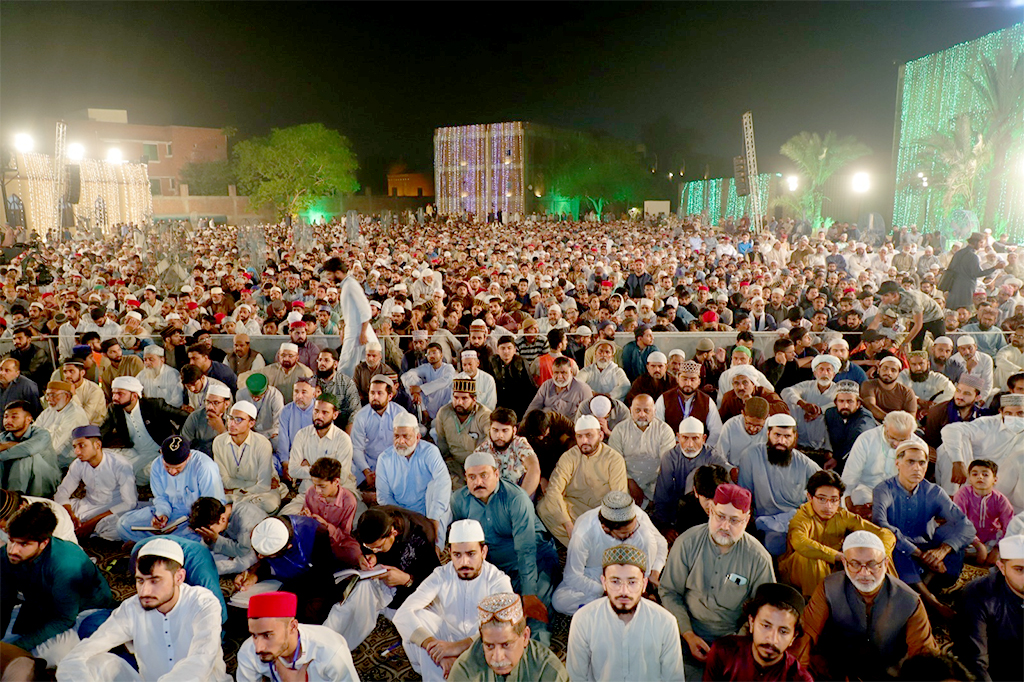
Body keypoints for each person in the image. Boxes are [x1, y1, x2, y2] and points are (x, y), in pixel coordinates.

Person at [56, 538, 231, 682]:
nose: (145, 591)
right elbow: (90, 646)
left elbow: (200, 661)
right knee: (94, 663)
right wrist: (73, 668)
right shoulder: (132, 607)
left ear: (179, 577)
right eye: (140, 581)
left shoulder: (203, 603)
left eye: (155, 581)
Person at [659, 484, 775, 679]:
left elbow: (764, 610)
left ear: (746, 520)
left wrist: (734, 645)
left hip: (736, 643)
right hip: (684, 635)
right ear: (710, 511)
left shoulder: (758, 558)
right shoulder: (687, 543)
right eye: (720, 516)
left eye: (734, 520)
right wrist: (688, 634)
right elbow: (670, 592)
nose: (725, 526)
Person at [792, 531, 937, 681]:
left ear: (885, 564)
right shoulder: (828, 588)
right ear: (844, 563)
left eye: (872, 564)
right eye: (855, 564)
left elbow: (924, 654)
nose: (864, 573)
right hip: (837, 669)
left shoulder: (909, 600)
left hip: (889, 674)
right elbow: (806, 636)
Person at [451, 451, 559, 643]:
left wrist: (529, 593)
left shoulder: (516, 499)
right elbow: (465, 543)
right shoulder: (459, 500)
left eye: (484, 475)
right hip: (494, 565)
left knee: (535, 615)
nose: (478, 482)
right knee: (484, 615)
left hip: (534, 559)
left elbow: (526, 549)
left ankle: (533, 657)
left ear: (496, 474)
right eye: (472, 477)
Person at [393, 519, 514, 681]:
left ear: (483, 552)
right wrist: (436, 648)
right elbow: (402, 614)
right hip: (444, 644)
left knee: (501, 632)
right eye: (457, 555)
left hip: (479, 646)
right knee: (419, 617)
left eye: (471, 554)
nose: (464, 562)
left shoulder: (497, 580)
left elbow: (506, 624)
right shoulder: (441, 575)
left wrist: (457, 647)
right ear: (449, 553)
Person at [0, 503, 114, 668]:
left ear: (44, 543)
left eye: (23, 544)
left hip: (81, 614)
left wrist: (17, 648)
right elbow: (5, 600)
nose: (12, 550)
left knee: (49, 655)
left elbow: (64, 619)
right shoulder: (7, 555)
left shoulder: (66, 564)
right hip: (41, 606)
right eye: (11, 541)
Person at [872, 441, 976, 620]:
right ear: (897, 463)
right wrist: (921, 555)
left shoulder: (934, 491)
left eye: (922, 463)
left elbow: (966, 525)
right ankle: (931, 602)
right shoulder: (884, 489)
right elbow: (880, 523)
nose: (917, 468)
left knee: (953, 533)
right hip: (901, 553)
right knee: (892, 539)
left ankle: (917, 590)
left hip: (931, 555)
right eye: (911, 462)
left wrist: (942, 551)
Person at [322, 507, 440, 651]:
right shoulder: (370, 523)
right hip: (381, 583)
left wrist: (406, 579)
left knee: (424, 631)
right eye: (370, 548)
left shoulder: (420, 536)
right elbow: (366, 547)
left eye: (378, 547)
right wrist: (369, 557)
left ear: (393, 533)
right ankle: (323, 643)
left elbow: (436, 581)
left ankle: (337, 651)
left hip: (410, 593)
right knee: (351, 602)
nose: (374, 550)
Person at [566, 544, 685, 682]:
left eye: (632, 582)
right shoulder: (583, 619)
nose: (624, 591)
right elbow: (576, 677)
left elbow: (673, 679)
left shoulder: (665, 622)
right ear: (604, 582)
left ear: (644, 584)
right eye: (615, 581)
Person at [779, 470, 895, 598]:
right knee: (811, 558)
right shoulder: (801, 517)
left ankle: (891, 599)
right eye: (822, 499)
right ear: (810, 497)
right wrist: (839, 556)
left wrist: (879, 555)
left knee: (879, 555)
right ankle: (817, 607)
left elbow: (886, 534)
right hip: (796, 570)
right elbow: (801, 543)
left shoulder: (842, 515)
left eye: (834, 500)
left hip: (835, 566)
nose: (828, 506)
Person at [553, 491, 667, 615]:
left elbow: (661, 543)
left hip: (632, 569)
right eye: (625, 534)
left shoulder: (636, 514)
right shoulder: (584, 533)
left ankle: (615, 607)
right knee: (560, 601)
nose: (632, 534)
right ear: (605, 528)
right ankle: (622, 608)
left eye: (634, 529)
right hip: (596, 574)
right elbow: (572, 576)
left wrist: (654, 574)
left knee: (647, 537)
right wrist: (605, 589)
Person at [537, 414, 628, 547]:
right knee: (544, 507)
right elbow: (554, 490)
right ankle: (584, 548)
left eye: (589, 435)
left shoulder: (614, 459)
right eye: (579, 436)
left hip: (602, 514)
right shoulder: (569, 457)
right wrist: (568, 525)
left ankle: (588, 547)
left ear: (601, 436)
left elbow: (618, 498)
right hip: (575, 510)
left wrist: (605, 524)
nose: (584, 440)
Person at [737, 414, 821, 555]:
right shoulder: (750, 456)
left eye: (787, 436)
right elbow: (744, 497)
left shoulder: (805, 464)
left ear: (794, 437)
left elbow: (827, 485)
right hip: (765, 522)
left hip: (798, 521)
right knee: (774, 544)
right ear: (768, 433)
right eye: (777, 435)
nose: (781, 441)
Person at [117, 436, 226, 543]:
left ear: (188, 457)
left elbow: (213, 507)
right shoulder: (156, 465)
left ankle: (150, 543)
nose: (172, 472)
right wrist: (162, 515)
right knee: (123, 524)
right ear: (161, 453)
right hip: (171, 513)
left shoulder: (205, 467)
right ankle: (165, 543)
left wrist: (192, 524)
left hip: (196, 520)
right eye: (167, 467)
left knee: (202, 536)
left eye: (178, 468)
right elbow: (161, 498)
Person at [236, 590, 359, 682]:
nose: (258, 648)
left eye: (267, 635)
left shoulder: (331, 651)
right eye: (254, 635)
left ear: (293, 627)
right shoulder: (248, 651)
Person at [703, 582, 813, 682]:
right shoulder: (723, 652)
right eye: (766, 626)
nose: (772, 639)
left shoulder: (800, 679)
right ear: (751, 622)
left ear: (793, 637)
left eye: (783, 632)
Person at [447, 593, 568, 682]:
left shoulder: (548, 670)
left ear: (525, 636)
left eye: (506, 645)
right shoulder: (465, 670)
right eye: (489, 646)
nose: (498, 657)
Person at [937, 393, 1024, 513]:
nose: (1014, 418)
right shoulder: (987, 424)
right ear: (1001, 412)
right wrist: (958, 462)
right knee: (948, 448)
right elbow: (950, 429)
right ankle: (949, 504)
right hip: (968, 478)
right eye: (1009, 413)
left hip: (1005, 489)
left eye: (1020, 413)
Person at [376, 410, 452, 545]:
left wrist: (433, 519)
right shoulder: (384, 458)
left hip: (429, 513)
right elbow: (383, 496)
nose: (400, 441)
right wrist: (404, 518)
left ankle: (436, 549)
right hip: (401, 514)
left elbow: (443, 483)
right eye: (396, 436)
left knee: (436, 490)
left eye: (406, 436)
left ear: (417, 437)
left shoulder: (430, 452)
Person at [955, 533, 1024, 682]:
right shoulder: (977, 595)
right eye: (1020, 569)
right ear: (1002, 568)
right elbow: (975, 662)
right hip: (998, 671)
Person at [653, 417, 733, 542]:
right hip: (675, 517)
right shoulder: (669, 458)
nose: (690, 444)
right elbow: (662, 497)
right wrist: (665, 527)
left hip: (705, 516)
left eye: (695, 438)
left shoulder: (714, 459)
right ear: (678, 437)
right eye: (685, 438)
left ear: (704, 438)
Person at [100, 374, 189, 485]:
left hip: (159, 452)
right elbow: (102, 432)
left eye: (120, 394)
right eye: (114, 393)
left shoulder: (155, 405)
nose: (114, 398)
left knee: (148, 473)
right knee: (104, 459)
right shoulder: (114, 409)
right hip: (135, 451)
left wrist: (177, 442)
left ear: (134, 396)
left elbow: (186, 419)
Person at [54, 425, 137, 541]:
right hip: (88, 505)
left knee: (118, 529)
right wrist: (71, 516)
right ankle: (83, 528)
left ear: (97, 445)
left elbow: (130, 503)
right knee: (54, 509)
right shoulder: (78, 464)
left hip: (113, 509)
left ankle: (82, 529)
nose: (76, 451)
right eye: (74, 447)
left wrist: (91, 523)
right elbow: (62, 492)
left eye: (82, 446)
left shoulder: (120, 464)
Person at [281, 393, 356, 515]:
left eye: (325, 413)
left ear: (335, 415)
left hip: (337, 495)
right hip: (308, 493)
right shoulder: (302, 435)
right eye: (316, 411)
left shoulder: (342, 439)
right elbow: (293, 470)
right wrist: (327, 473)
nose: (319, 416)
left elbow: (341, 477)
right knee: (286, 517)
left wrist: (309, 469)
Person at [841, 410, 924, 516]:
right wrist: (847, 505)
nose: (896, 444)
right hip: (868, 490)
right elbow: (850, 477)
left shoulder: (919, 446)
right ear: (885, 427)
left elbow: (916, 483)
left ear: (911, 434)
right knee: (858, 498)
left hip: (900, 493)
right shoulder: (866, 439)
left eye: (903, 440)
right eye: (892, 438)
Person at [211, 400, 281, 514]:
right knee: (213, 499)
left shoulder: (262, 443)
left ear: (251, 423)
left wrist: (234, 491)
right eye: (230, 418)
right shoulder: (219, 442)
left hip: (260, 493)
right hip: (239, 493)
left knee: (269, 503)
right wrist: (247, 487)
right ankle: (240, 508)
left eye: (238, 420)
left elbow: (263, 486)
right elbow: (224, 480)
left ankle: (234, 509)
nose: (232, 424)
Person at [608, 394, 676, 507]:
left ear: (654, 411)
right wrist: (630, 483)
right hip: (626, 481)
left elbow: (666, 465)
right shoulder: (619, 430)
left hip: (655, 482)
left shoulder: (665, 431)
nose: (642, 414)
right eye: (637, 410)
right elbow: (614, 463)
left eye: (646, 410)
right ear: (630, 410)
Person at [350, 374, 410, 494]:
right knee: (347, 470)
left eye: (379, 393)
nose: (375, 397)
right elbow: (357, 448)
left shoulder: (400, 414)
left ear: (390, 396)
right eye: (372, 393)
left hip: (394, 462)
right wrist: (366, 471)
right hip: (368, 462)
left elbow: (405, 447)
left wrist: (384, 470)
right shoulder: (361, 416)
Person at [323, 256, 378, 376]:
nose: (328, 278)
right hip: (353, 331)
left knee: (346, 369)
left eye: (329, 274)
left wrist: (363, 333)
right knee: (353, 369)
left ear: (337, 273)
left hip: (358, 333)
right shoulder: (347, 285)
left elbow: (366, 310)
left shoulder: (351, 285)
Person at [300, 457, 360, 566]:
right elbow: (303, 520)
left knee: (354, 553)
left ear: (336, 481)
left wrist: (326, 526)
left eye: (322, 486)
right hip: (312, 538)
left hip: (334, 542)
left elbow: (344, 535)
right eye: (315, 485)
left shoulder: (349, 501)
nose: (317, 490)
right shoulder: (311, 492)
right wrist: (305, 518)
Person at [953, 459, 1015, 564]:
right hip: (967, 538)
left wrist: (998, 548)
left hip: (991, 539)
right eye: (975, 474)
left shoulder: (1000, 499)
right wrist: (978, 545)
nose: (980, 477)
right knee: (956, 552)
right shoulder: (963, 494)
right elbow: (959, 521)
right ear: (970, 479)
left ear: (995, 480)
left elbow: (1009, 525)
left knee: (1008, 556)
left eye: (985, 475)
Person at [471, 407, 541, 496]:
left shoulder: (519, 444)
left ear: (514, 431)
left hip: (518, 493)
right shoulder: (482, 450)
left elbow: (534, 468)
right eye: (495, 430)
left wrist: (521, 498)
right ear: (490, 429)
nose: (499, 435)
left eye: (505, 431)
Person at [433, 375, 492, 483]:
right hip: (453, 463)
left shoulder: (484, 415)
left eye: (464, 398)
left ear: (474, 399)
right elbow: (442, 442)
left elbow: (490, 440)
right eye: (456, 398)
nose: (459, 402)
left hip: (478, 462)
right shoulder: (444, 412)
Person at [188, 496, 266, 575]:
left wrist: (216, 539)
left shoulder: (244, 521)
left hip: (253, 549)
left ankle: (202, 570)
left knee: (241, 564)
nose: (207, 532)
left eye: (209, 530)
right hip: (235, 543)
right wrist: (209, 540)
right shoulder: (222, 514)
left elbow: (242, 551)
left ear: (222, 519)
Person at [654, 360, 723, 448]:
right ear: (678, 379)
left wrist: (704, 450)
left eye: (692, 379)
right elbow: (656, 428)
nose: (688, 383)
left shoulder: (707, 401)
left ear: (699, 381)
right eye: (684, 379)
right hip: (670, 450)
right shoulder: (664, 399)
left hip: (698, 451)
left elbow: (716, 432)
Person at [780, 354, 841, 452]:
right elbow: (786, 392)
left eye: (828, 370)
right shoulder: (808, 385)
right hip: (804, 426)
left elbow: (839, 403)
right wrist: (803, 404)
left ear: (833, 374)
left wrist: (819, 410)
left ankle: (828, 450)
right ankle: (793, 441)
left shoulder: (838, 389)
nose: (824, 373)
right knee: (790, 403)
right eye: (821, 369)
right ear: (815, 373)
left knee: (833, 412)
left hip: (823, 434)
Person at [0, 400, 60, 496]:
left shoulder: (42, 434)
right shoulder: (3, 436)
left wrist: (6, 446)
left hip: (44, 481)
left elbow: (27, 450)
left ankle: (14, 499)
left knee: (24, 457)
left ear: (28, 419)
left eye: (14, 417)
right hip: (13, 479)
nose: (8, 421)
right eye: (6, 417)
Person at [821, 379, 877, 471]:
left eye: (850, 401)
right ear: (836, 402)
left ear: (858, 403)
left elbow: (859, 434)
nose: (845, 406)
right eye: (841, 401)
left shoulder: (865, 417)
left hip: (863, 464)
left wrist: (836, 458)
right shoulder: (830, 413)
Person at [876, 280, 946, 351]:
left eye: (885, 295)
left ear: (894, 295)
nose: (882, 298)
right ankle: (916, 360)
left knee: (941, 342)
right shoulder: (885, 303)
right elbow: (876, 321)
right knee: (915, 346)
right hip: (915, 319)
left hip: (934, 317)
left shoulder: (913, 299)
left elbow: (918, 325)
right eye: (881, 295)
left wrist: (904, 343)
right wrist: (867, 336)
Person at [942, 231, 1003, 311]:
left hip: (953, 287)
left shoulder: (959, 253)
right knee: (964, 311)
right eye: (981, 243)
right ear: (975, 242)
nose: (982, 245)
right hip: (966, 289)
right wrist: (995, 267)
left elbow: (950, 269)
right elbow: (977, 273)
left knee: (952, 311)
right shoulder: (973, 256)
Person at [34, 380, 90, 468]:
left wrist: (39, 437)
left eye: (53, 395)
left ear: (67, 396)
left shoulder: (75, 414)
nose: (48, 399)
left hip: (66, 461)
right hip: (43, 455)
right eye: (47, 395)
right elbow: (32, 431)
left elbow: (55, 445)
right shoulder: (49, 410)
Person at [526, 356, 594, 420]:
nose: (559, 377)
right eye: (556, 373)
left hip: (571, 430)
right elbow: (533, 408)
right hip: (546, 429)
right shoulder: (546, 385)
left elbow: (589, 417)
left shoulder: (583, 389)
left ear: (571, 372)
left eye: (563, 372)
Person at [403, 342, 457, 422]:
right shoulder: (426, 367)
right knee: (413, 380)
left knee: (444, 387)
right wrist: (415, 392)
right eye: (428, 354)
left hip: (444, 405)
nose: (431, 356)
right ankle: (423, 411)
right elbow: (406, 375)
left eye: (434, 353)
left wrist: (421, 388)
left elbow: (446, 380)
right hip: (427, 407)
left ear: (441, 355)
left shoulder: (448, 368)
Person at [275, 375, 317, 475]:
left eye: (304, 392)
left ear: (314, 394)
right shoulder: (286, 410)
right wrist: (285, 463)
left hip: (314, 456)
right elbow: (283, 439)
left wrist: (307, 460)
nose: (299, 396)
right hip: (292, 455)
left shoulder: (320, 411)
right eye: (296, 392)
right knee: (271, 463)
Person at [489, 335, 537, 419]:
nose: (506, 351)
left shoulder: (522, 362)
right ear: (497, 350)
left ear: (514, 350)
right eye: (503, 348)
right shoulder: (491, 363)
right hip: (498, 404)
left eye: (509, 348)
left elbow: (530, 387)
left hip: (518, 405)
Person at [313, 348, 362, 430]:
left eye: (326, 360)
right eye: (320, 360)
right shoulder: (312, 382)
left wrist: (348, 433)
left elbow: (355, 410)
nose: (322, 363)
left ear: (335, 364)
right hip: (318, 424)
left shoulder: (346, 382)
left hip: (341, 425)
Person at [860, 355, 918, 422]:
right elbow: (870, 405)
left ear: (898, 374)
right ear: (878, 370)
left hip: (899, 425)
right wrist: (891, 419)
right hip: (873, 423)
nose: (888, 372)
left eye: (893, 370)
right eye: (885, 368)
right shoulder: (868, 385)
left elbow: (911, 417)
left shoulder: (907, 392)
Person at [714, 396, 768, 465]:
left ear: (767, 417)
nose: (753, 429)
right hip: (733, 470)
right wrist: (730, 470)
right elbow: (719, 457)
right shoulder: (730, 426)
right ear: (743, 413)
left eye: (758, 425)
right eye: (749, 423)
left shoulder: (772, 429)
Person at [946, 334, 995, 400]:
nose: (967, 352)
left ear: (976, 347)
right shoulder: (953, 360)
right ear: (958, 349)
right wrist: (968, 369)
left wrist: (982, 400)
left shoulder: (986, 359)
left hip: (980, 395)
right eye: (963, 349)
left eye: (970, 348)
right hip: (960, 396)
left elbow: (987, 384)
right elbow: (955, 385)